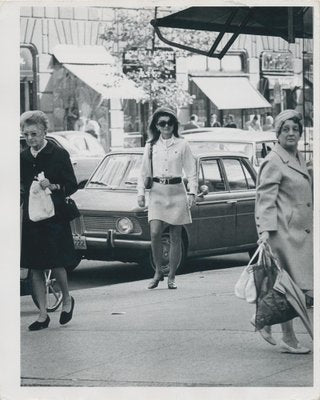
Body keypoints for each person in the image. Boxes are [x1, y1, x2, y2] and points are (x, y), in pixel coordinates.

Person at [254, 109, 313, 354]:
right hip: (283, 234)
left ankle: (265, 320)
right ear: (277, 133)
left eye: (295, 129)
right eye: (285, 129)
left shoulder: (298, 157)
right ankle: (288, 337)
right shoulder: (274, 160)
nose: (291, 133)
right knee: (291, 286)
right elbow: (264, 198)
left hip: (300, 232)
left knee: (289, 286)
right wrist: (265, 232)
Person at [20, 110, 78, 331]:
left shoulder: (58, 154)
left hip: (54, 215)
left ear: (44, 132)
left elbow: (71, 185)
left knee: (56, 261)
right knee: (35, 266)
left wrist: (53, 186)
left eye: (34, 134)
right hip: (32, 217)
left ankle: (67, 299)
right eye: (26, 135)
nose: (30, 139)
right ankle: (42, 314)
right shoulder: (23, 157)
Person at [137, 107, 197, 289]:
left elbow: (191, 170)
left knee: (175, 236)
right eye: (162, 123)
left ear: (174, 125)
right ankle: (157, 271)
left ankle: (171, 275)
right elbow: (143, 172)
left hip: (177, 191)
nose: (166, 126)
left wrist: (192, 192)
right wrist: (140, 193)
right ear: (156, 125)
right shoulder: (150, 145)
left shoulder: (182, 144)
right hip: (157, 191)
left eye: (170, 122)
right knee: (155, 232)